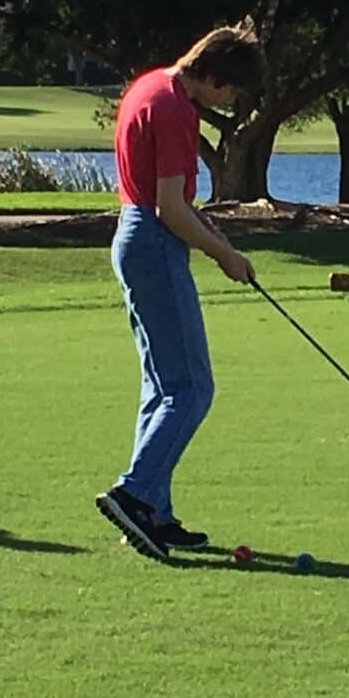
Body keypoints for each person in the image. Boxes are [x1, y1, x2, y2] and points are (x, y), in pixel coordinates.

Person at [96, 27, 262, 559]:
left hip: (135, 236)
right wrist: (224, 256)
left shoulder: (148, 85)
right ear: (212, 75)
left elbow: (171, 202)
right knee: (192, 388)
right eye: (230, 91)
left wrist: (213, 234)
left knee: (163, 386)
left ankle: (155, 516)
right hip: (154, 243)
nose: (229, 102)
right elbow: (169, 207)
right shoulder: (174, 108)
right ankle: (135, 493)